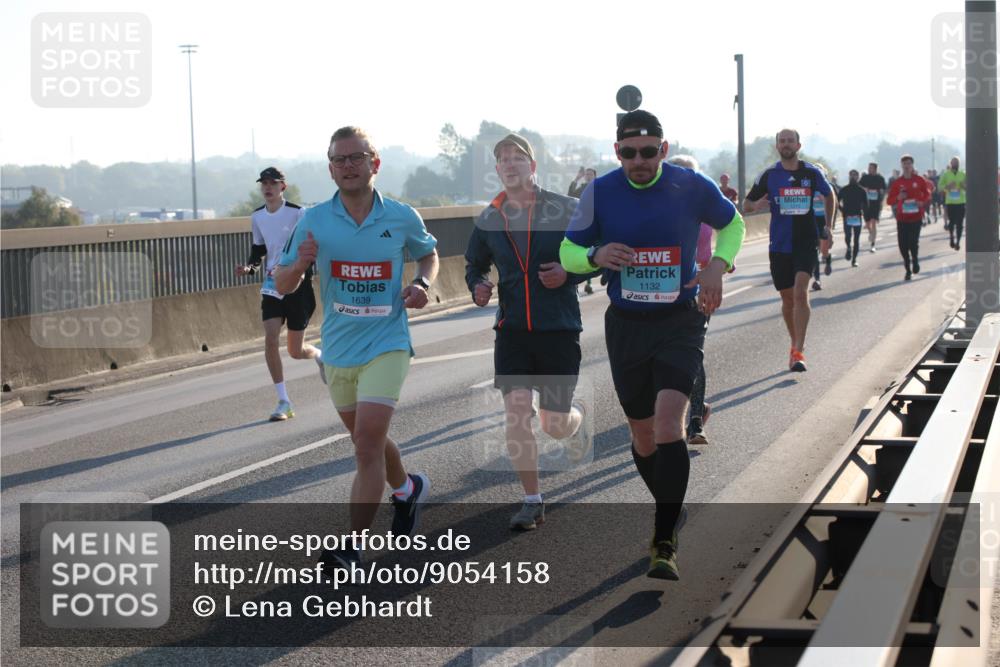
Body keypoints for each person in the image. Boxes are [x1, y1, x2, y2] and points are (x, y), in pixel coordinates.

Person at [560, 110, 745, 580]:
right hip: (626, 325)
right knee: (642, 436)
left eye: (648, 151)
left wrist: (717, 267)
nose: (638, 161)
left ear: (663, 149)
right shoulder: (599, 192)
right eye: (628, 152)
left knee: (669, 424)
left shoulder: (691, 185)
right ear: (616, 151)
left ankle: (664, 539)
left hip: (681, 321)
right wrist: (594, 255)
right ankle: (671, 506)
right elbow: (567, 251)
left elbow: (734, 224)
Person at [275, 126, 439, 568]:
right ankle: (407, 490)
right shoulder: (312, 220)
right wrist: (304, 263)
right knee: (368, 439)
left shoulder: (401, 216)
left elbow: (428, 253)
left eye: (356, 157)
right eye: (339, 160)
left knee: (366, 444)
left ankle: (352, 546)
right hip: (338, 348)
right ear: (330, 168)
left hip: (387, 340)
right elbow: (281, 281)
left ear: (375, 162)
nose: (348, 166)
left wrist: (422, 282)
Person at [466, 134, 594, 531]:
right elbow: (473, 265)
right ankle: (531, 500)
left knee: (553, 423)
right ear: (498, 169)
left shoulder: (566, 208)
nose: (509, 164)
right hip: (513, 332)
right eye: (502, 159)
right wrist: (478, 286)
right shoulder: (490, 216)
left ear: (532, 166)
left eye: (517, 158)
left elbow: (599, 256)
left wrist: (569, 274)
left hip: (558, 329)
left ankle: (576, 418)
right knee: (517, 409)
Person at [744, 129, 835, 373]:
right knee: (787, 299)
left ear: (798, 145)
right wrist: (756, 204)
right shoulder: (770, 175)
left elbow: (829, 195)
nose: (786, 144)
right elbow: (746, 204)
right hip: (779, 245)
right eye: (782, 141)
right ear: (777, 146)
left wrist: (828, 226)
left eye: (790, 141)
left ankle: (798, 350)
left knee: (799, 293)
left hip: (805, 241)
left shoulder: (811, 172)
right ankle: (793, 344)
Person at [235, 167, 322, 421]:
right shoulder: (258, 216)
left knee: (295, 351)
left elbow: (311, 246)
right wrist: (249, 268)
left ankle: (318, 354)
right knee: (270, 338)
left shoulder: (298, 213)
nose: (267, 187)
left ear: (282, 186)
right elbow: (258, 251)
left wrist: (301, 270)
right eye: (263, 183)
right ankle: (284, 401)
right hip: (272, 285)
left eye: (273, 183)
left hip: (298, 284)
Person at [668, 154, 714, 446]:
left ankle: (695, 421)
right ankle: (685, 406)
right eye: (678, 173)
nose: (683, 178)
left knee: (692, 352)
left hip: (700, 289)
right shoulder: (658, 208)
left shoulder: (707, 205)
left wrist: (723, 263)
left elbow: (732, 228)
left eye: (689, 174)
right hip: (663, 290)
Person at [886, 154, 932, 281]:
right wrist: (898, 198)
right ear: (901, 166)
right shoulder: (898, 183)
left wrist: (922, 201)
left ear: (912, 166)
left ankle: (915, 260)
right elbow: (889, 201)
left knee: (913, 242)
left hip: (916, 217)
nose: (907, 166)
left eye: (909, 164)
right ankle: (907, 268)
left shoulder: (919, 180)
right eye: (904, 164)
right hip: (902, 218)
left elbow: (928, 194)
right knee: (903, 245)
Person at [567, 167, 598, 294]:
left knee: (593, 252)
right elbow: (569, 195)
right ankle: (582, 283)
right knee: (582, 252)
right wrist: (576, 179)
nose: (588, 176)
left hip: (596, 222)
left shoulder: (599, 187)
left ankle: (590, 282)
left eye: (590, 174)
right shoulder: (582, 188)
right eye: (586, 174)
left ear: (595, 176)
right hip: (582, 223)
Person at [810, 165, 836, 289]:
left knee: (824, 249)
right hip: (812, 220)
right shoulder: (809, 187)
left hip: (824, 220)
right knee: (815, 250)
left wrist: (830, 227)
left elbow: (832, 207)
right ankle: (817, 280)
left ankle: (827, 259)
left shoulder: (827, 188)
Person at [838, 169, 868, 267]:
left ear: (858, 177)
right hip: (847, 216)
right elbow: (836, 201)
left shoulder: (861, 190)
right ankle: (848, 248)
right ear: (849, 176)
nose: (853, 177)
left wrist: (862, 211)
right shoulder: (844, 189)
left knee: (856, 239)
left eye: (855, 175)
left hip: (857, 217)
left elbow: (866, 204)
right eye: (851, 175)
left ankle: (854, 259)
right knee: (847, 236)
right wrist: (842, 210)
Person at [938, 157, 967, 250]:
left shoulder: (963, 174)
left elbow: (969, 187)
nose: (955, 164)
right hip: (950, 202)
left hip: (961, 202)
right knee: (952, 222)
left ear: (959, 164)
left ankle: (958, 242)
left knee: (960, 223)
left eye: (957, 162)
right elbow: (939, 187)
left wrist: (963, 186)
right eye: (953, 162)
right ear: (950, 164)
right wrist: (947, 186)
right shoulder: (946, 175)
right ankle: (951, 237)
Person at [858, 162, 887, 254]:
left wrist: (881, 193)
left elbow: (884, 189)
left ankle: (873, 244)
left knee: (874, 222)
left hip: (876, 203)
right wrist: (864, 189)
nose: (869, 169)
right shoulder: (865, 177)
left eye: (871, 168)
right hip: (866, 203)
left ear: (875, 169)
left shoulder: (880, 178)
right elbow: (859, 186)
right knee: (867, 222)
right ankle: (871, 233)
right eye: (869, 167)